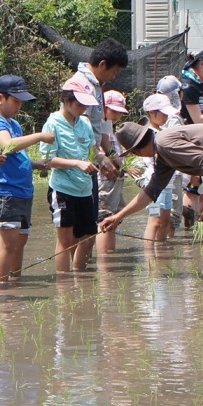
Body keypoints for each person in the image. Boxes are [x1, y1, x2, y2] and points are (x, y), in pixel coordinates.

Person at [102, 121, 203, 283]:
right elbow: (150, 192)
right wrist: (118, 216)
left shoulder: (165, 144)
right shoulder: (163, 153)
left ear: (137, 150)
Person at [0, 76, 54, 284]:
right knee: (8, 243)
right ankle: (2, 288)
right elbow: (7, 146)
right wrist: (40, 136)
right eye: (15, 101)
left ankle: (16, 282)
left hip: (23, 191)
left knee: (20, 241)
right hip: (6, 191)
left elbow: (16, 157)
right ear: (0, 98)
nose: (19, 106)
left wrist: (37, 164)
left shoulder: (13, 124)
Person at [41, 74, 100, 273]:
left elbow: (93, 152)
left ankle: (79, 277)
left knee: (89, 235)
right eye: (80, 104)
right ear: (66, 101)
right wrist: (76, 163)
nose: (84, 109)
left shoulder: (84, 124)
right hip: (63, 188)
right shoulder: (53, 124)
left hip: (85, 189)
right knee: (65, 240)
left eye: (86, 105)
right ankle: (65, 286)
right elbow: (48, 160)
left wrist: (107, 163)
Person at [76, 39, 128, 257]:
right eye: (114, 72)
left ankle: (92, 278)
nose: (113, 77)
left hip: (93, 160)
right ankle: (92, 276)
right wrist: (101, 158)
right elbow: (82, 131)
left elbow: (101, 131)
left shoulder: (97, 86)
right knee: (87, 225)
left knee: (91, 224)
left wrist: (113, 156)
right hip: (81, 164)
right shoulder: (82, 85)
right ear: (103, 64)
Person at [140, 92, 183, 241]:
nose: (166, 117)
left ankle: (162, 257)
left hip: (167, 183)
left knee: (164, 222)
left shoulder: (163, 131)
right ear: (152, 113)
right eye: (163, 113)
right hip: (156, 182)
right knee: (154, 222)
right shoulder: (148, 133)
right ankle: (150, 259)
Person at [95, 89, 130, 254]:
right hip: (106, 178)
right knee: (105, 217)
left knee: (114, 217)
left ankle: (109, 257)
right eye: (113, 111)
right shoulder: (99, 128)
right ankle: (105, 260)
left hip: (116, 179)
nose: (116, 116)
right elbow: (99, 151)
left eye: (120, 113)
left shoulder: (111, 129)